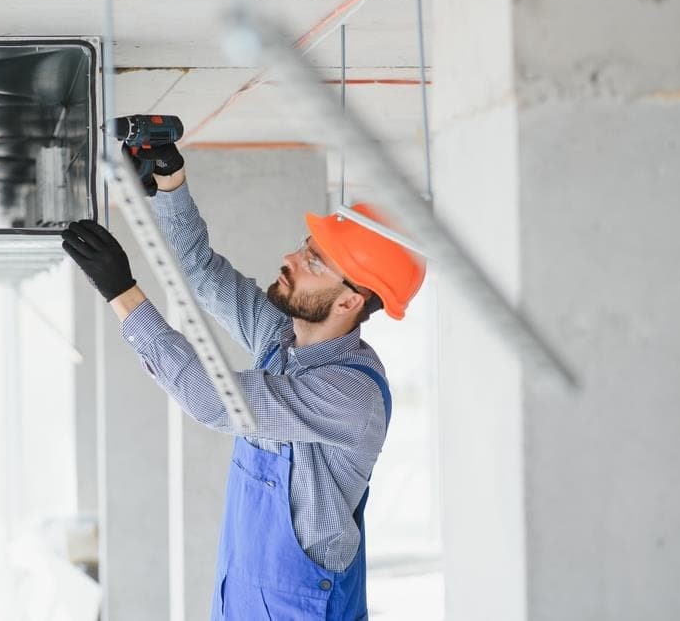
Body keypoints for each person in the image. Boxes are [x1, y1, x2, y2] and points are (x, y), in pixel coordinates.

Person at [62, 141, 426, 620]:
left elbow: (217, 402)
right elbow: (201, 272)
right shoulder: (282, 340)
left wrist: (121, 293)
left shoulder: (350, 395)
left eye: (314, 262)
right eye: (305, 247)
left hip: (302, 608)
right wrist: (170, 182)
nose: (291, 259)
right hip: (241, 596)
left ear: (348, 302)